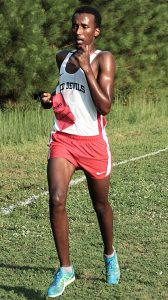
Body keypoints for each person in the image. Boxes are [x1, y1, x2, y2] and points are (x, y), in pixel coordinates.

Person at [40, 6, 120, 298]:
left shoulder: (104, 59)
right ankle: (65, 269)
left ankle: (109, 255)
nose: (78, 32)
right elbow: (65, 90)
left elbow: (105, 106)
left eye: (85, 27)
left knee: (100, 205)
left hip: (93, 143)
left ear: (96, 31)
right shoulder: (62, 57)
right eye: (75, 26)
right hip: (64, 139)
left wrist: (87, 68)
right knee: (57, 198)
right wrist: (51, 99)